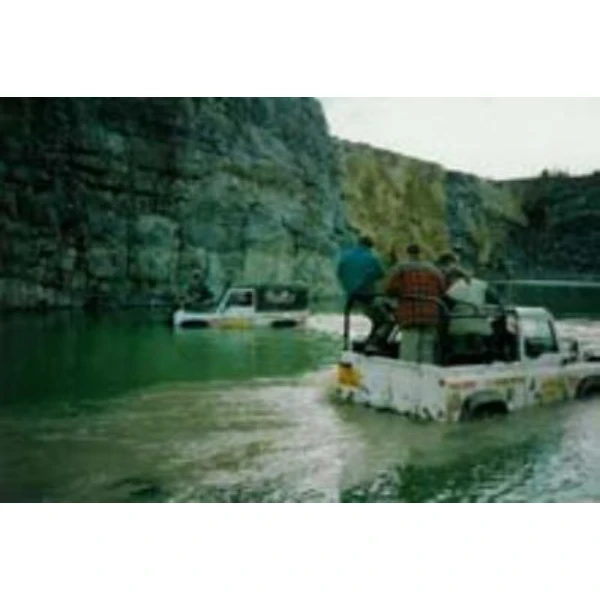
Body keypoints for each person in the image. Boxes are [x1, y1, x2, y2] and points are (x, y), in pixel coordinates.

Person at [385, 243, 446, 364]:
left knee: (410, 347)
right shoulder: (434, 270)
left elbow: (390, 289)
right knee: (427, 349)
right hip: (430, 313)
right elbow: (443, 290)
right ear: (421, 254)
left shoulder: (400, 269)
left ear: (408, 253)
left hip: (409, 313)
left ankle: (409, 371)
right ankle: (427, 371)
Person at [336, 235, 392, 349]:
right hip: (366, 296)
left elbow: (339, 273)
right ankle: (375, 342)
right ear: (370, 247)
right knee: (388, 320)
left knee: (376, 318)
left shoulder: (345, 256)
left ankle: (370, 340)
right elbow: (381, 275)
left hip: (351, 296)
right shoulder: (371, 258)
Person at [444, 273, 502, 363]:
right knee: (483, 338)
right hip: (479, 324)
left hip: (458, 324)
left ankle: (458, 360)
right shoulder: (482, 285)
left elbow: (446, 304)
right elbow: (496, 298)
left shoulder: (453, 287)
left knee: (459, 349)